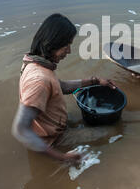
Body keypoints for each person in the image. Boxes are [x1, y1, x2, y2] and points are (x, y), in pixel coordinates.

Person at [12, 14, 116, 165]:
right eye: (66, 45)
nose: (69, 51)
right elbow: (21, 129)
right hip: (53, 141)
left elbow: (61, 86)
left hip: (53, 129)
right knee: (111, 132)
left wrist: (95, 81)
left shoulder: (34, 63)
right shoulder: (39, 81)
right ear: (52, 43)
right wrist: (62, 157)